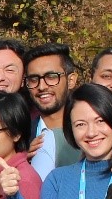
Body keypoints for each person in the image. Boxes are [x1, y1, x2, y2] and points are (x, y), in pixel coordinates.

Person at [23, 42, 77, 176]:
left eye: (51, 77)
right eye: (33, 79)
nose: (41, 86)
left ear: (71, 80)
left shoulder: (90, 132)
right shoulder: (21, 137)